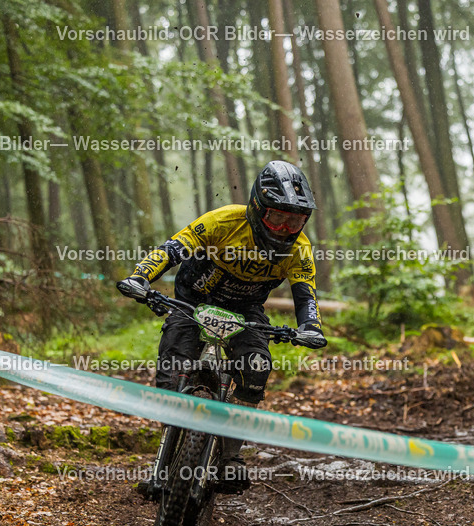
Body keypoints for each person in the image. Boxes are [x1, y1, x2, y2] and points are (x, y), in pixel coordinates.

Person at [117, 160, 327, 493]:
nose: (285, 229)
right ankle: (162, 463)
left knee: (256, 367)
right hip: (193, 302)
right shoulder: (223, 221)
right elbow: (173, 248)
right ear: (258, 209)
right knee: (172, 372)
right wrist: (140, 277)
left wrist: (310, 327)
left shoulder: (299, 251)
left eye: (296, 221)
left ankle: (230, 457)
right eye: (277, 218)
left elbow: (305, 294)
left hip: (246, 311)